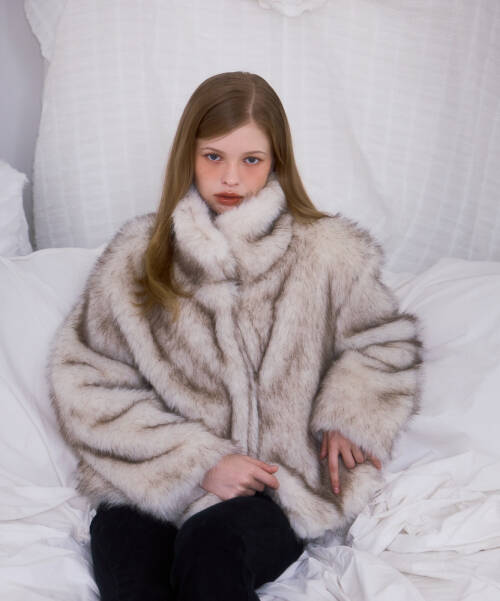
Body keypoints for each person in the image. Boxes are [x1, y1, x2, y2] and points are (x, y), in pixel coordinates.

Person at [48, 71, 422, 601]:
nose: (230, 177)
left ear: (276, 162)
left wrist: (350, 412)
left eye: (251, 159)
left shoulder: (326, 252)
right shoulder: (139, 255)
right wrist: (199, 462)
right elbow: (85, 381)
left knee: (213, 546)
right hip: (154, 481)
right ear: (188, 156)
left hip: (276, 486)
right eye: (213, 156)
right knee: (127, 559)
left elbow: (384, 342)